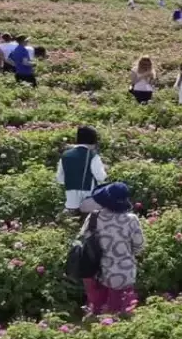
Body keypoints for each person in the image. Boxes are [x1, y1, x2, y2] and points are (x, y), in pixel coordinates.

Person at [82, 183, 144, 314]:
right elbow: (139, 246)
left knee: (98, 310)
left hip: (96, 271)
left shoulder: (94, 217)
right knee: (120, 312)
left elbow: (84, 240)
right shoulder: (131, 220)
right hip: (123, 272)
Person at [56, 126, 107, 214]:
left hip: (71, 203)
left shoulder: (65, 155)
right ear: (93, 141)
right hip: (89, 201)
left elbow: (60, 179)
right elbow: (101, 177)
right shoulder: (93, 156)